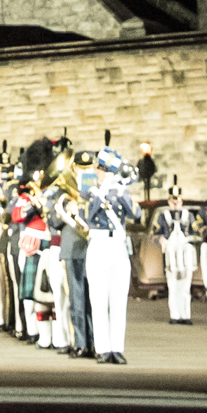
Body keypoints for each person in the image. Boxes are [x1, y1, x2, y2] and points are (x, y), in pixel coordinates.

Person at [73, 135, 137, 363]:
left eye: (105, 171)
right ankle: (103, 349)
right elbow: (87, 214)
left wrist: (119, 190)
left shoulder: (119, 188)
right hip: (98, 243)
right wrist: (103, 191)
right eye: (101, 170)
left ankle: (117, 348)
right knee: (98, 298)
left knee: (119, 299)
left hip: (118, 244)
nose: (101, 174)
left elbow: (135, 214)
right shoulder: (89, 184)